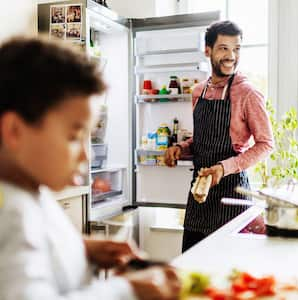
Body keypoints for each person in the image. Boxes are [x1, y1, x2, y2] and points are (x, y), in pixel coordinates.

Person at [0, 37, 181, 300]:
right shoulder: (10, 211)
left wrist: (81, 248)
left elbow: (27, 249)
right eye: (74, 137)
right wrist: (127, 291)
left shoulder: (29, 191)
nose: (85, 154)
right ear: (14, 131)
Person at [165, 20, 273, 252]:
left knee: (228, 273)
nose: (231, 56)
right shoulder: (198, 91)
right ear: (208, 50)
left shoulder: (248, 93)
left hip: (232, 198)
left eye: (236, 49)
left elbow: (266, 144)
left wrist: (224, 168)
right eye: (224, 48)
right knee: (190, 267)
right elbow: (201, 141)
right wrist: (181, 148)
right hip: (199, 196)